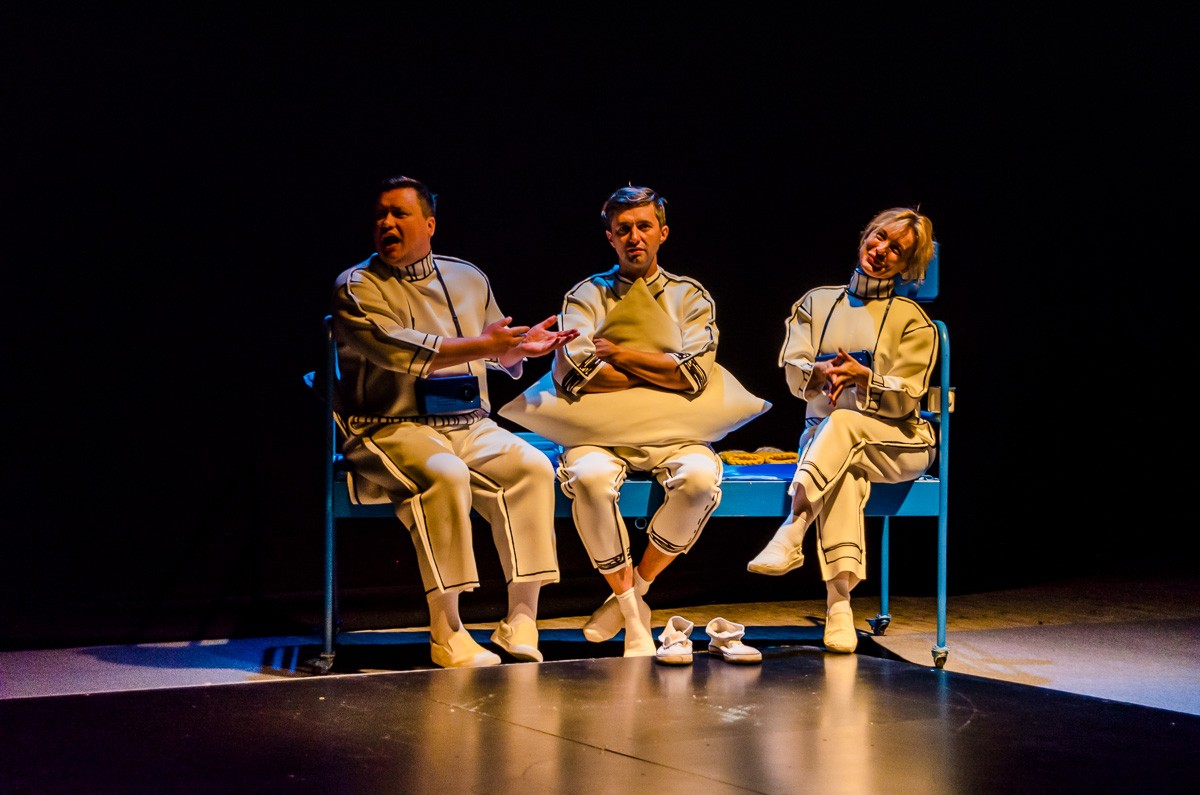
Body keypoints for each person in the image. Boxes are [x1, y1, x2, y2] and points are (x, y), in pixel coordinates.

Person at [330, 175, 577, 669]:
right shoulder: (355, 286)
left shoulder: (468, 277)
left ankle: (521, 620)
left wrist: (516, 350)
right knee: (446, 474)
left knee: (532, 467)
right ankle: (447, 631)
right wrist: (487, 346)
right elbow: (399, 352)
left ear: (429, 224)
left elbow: (490, 347)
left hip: (467, 422)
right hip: (386, 425)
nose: (386, 223)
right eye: (380, 215)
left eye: (399, 214)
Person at [746, 206, 939, 654]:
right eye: (880, 237)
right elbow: (793, 372)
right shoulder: (817, 302)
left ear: (907, 266)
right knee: (844, 469)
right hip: (828, 442)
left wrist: (866, 378)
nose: (882, 250)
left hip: (900, 442)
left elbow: (909, 397)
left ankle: (794, 526)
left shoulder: (913, 320)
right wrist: (821, 372)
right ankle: (839, 606)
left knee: (844, 426)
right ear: (865, 235)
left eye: (897, 249)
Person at [553, 185, 724, 658]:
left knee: (699, 479)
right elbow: (577, 375)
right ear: (609, 236)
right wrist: (660, 367)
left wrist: (620, 355)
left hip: (673, 431)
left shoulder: (689, 296)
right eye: (623, 228)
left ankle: (632, 595)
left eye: (644, 226)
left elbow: (693, 374)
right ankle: (634, 618)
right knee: (589, 479)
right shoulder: (587, 295)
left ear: (662, 233)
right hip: (600, 433)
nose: (634, 237)